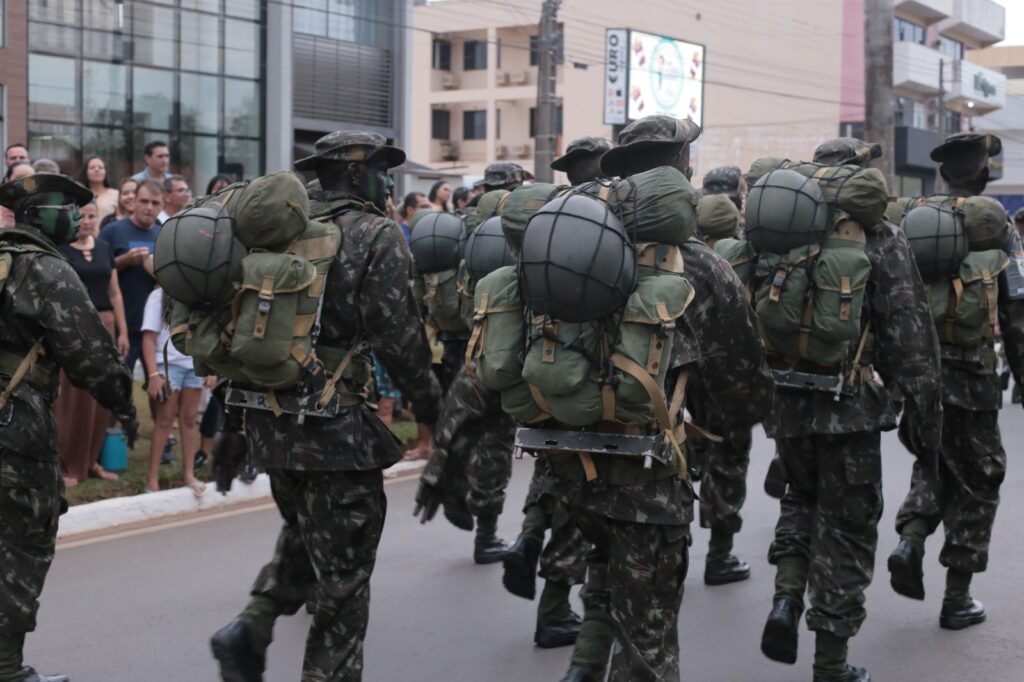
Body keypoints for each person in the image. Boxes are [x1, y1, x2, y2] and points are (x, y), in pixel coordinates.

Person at [549, 115, 774, 682]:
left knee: (604, 572)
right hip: (647, 475)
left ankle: (583, 666)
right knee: (647, 641)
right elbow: (742, 381)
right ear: (680, 167)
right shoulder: (699, 264)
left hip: (569, 465)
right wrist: (712, 426)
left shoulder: (564, 245)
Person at [210, 131, 440, 681]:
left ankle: (253, 623)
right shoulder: (376, 234)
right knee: (343, 581)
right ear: (355, 173)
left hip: (270, 427)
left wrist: (233, 427)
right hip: (337, 431)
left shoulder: (276, 231)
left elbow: (242, 333)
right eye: (382, 171)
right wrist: (436, 415)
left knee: (307, 535)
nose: (389, 183)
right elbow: (402, 343)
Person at [758, 137, 942, 682]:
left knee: (799, 499)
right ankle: (831, 664)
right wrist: (923, 412)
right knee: (848, 527)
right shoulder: (878, 233)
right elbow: (908, 331)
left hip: (787, 399)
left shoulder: (780, 224)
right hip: (851, 409)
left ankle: (786, 598)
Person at [0, 172, 137, 682]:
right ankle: (6, 668)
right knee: (22, 546)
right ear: (41, 213)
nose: (79, 216)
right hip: (16, 433)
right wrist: (125, 407)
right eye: (69, 207)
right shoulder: (48, 270)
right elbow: (93, 359)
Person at [888, 132, 1024, 631]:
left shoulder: (912, 221)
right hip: (972, 375)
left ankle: (911, 538)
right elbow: (1016, 311)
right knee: (981, 477)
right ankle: (958, 597)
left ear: (943, 174)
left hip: (919, 372)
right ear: (984, 174)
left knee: (933, 460)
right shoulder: (995, 226)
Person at [500, 139, 614, 652]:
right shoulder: (609, 223)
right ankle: (554, 611)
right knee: (580, 489)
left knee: (551, 464)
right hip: (585, 382)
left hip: (536, 373)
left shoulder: (543, 221)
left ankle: (528, 535)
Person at [54, 198, 129, 486]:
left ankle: (91, 460)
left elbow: (115, 293)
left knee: (101, 399)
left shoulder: (104, 248)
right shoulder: (60, 249)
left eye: (91, 216)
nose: (86, 221)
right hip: (73, 329)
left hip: (105, 328)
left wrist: (122, 332)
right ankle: (64, 465)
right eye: (81, 216)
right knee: (71, 399)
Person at [139, 277, 206, 496]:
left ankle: (188, 474)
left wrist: (209, 367)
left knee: (189, 420)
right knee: (165, 420)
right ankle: (152, 479)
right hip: (167, 364)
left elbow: (205, 334)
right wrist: (153, 374)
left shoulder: (198, 295)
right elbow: (148, 338)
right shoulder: (159, 296)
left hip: (193, 364)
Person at [99, 180, 163, 375]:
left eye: (155, 203)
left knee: (159, 386)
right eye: (144, 201)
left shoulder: (163, 234)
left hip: (154, 327)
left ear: (162, 206)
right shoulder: (112, 231)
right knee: (119, 382)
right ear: (133, 202)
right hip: (123, 324)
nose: (149, 207)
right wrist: (123, 261)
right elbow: (97, 272)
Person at [78, 156, 120, 224]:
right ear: (85, 172)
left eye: (100, 167)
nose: (97, 170)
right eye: (92, 168)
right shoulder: (79, 194)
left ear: (105, 172)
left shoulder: (116, 194)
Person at [1, 164, 35, 229]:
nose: (25, 182)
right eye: (20, 178)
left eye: (31, 178)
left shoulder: (41, 203)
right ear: (7, 179)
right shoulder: (2, 206)